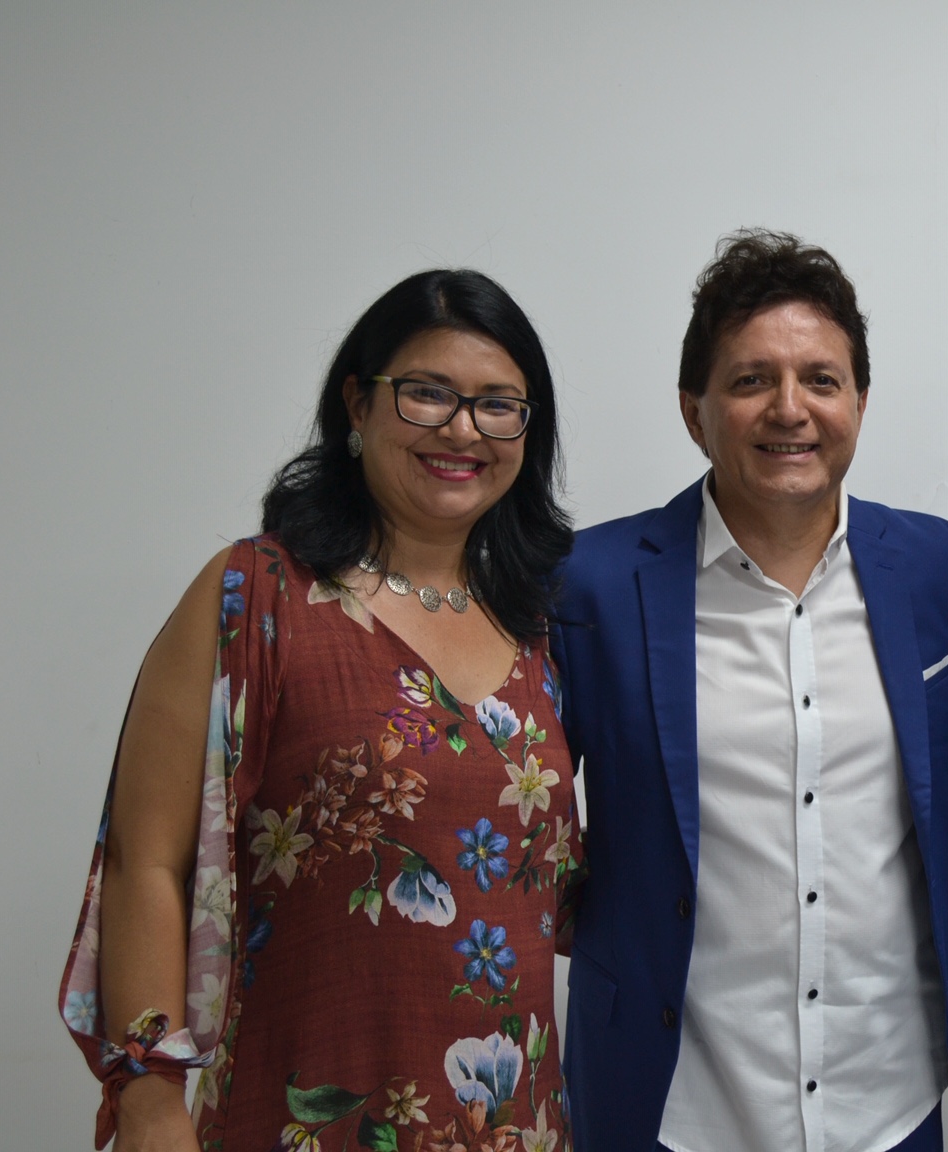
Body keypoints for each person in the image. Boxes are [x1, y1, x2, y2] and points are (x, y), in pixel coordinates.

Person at [58, 270, 583, 1152]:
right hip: (299, 1117)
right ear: (356, 404)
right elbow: (148, 859)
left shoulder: (544, 629)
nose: (463, 429)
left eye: (499, 405)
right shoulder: (256, 595)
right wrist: (148, 1095)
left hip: (513, 1127)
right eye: (427, 393)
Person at [552, 230, 948, 1152]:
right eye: (752, 380)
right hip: (678, 1107)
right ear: (694, 410)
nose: (790, 409)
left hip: (892, 1101)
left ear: (859, 402)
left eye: (821, 380)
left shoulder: (945, 569)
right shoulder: (590, 585)